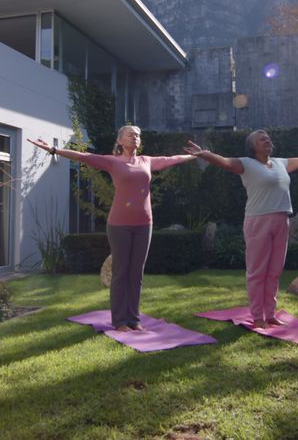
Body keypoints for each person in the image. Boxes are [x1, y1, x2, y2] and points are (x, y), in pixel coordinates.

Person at [28, 126, 196, 332]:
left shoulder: (146, 161)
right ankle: (120, 321)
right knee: (121, 272)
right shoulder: (112, 162)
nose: (135, 137)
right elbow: (84, 156)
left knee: (136, 274)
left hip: (145, 224)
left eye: (137, 135)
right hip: (119, 224)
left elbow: (171, 159)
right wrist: (54, 150)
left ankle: (134, 319)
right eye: (130, 135)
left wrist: (196, 155)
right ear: (120, 141)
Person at [185, 130, 298, 329]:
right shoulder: (246, 164)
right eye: (262, 139)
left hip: (281, 220)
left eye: (268, 138)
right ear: (253, 146)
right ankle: (258, 316)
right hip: (258, 221)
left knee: (274, 271)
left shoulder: (280, 163)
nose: (267, 140)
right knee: (257, 272)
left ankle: (270, 314)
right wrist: (204, 154)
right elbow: (224, 162)